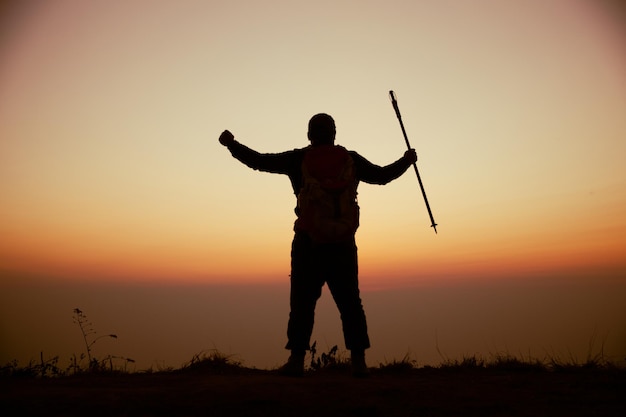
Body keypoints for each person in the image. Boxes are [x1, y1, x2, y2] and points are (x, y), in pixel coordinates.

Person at [218, 113, 417, 377]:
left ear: (310, 134)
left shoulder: (298, 159)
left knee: (302, 303)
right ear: (334, 133)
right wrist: (406, 161)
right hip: (343, 244)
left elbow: (259, 162)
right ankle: (359, 363)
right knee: (350, 303)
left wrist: (232, 145)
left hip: (307, 243)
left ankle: (296, 361)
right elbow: (381, 176)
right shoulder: (350, 160)